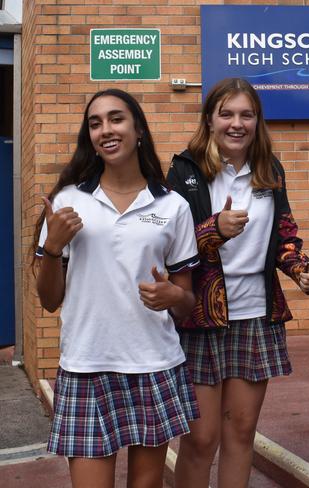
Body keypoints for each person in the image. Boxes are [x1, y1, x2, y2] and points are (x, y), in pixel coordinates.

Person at [33, 88, 200, 488]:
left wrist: (175, 297)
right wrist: (52, 249)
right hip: (87, 364)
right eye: (95, 123)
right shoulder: (69, 201)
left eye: (116, 119)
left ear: (138, 129)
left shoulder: (172, 205)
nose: (105, 129)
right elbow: (49, 300)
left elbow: (186, 301)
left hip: (153, 364)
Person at [166, 77, 309, 488]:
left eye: (246, 115)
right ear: (210, 120)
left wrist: (302, 269)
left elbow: (285, 237)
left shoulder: (270, 169)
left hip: (255, 314)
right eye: (227, 114)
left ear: (257, 121)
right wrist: (213, 229)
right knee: (201, 439)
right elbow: (166, 242)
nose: (237, 123)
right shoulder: (185, 170)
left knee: (240, 433)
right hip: (199, 319)